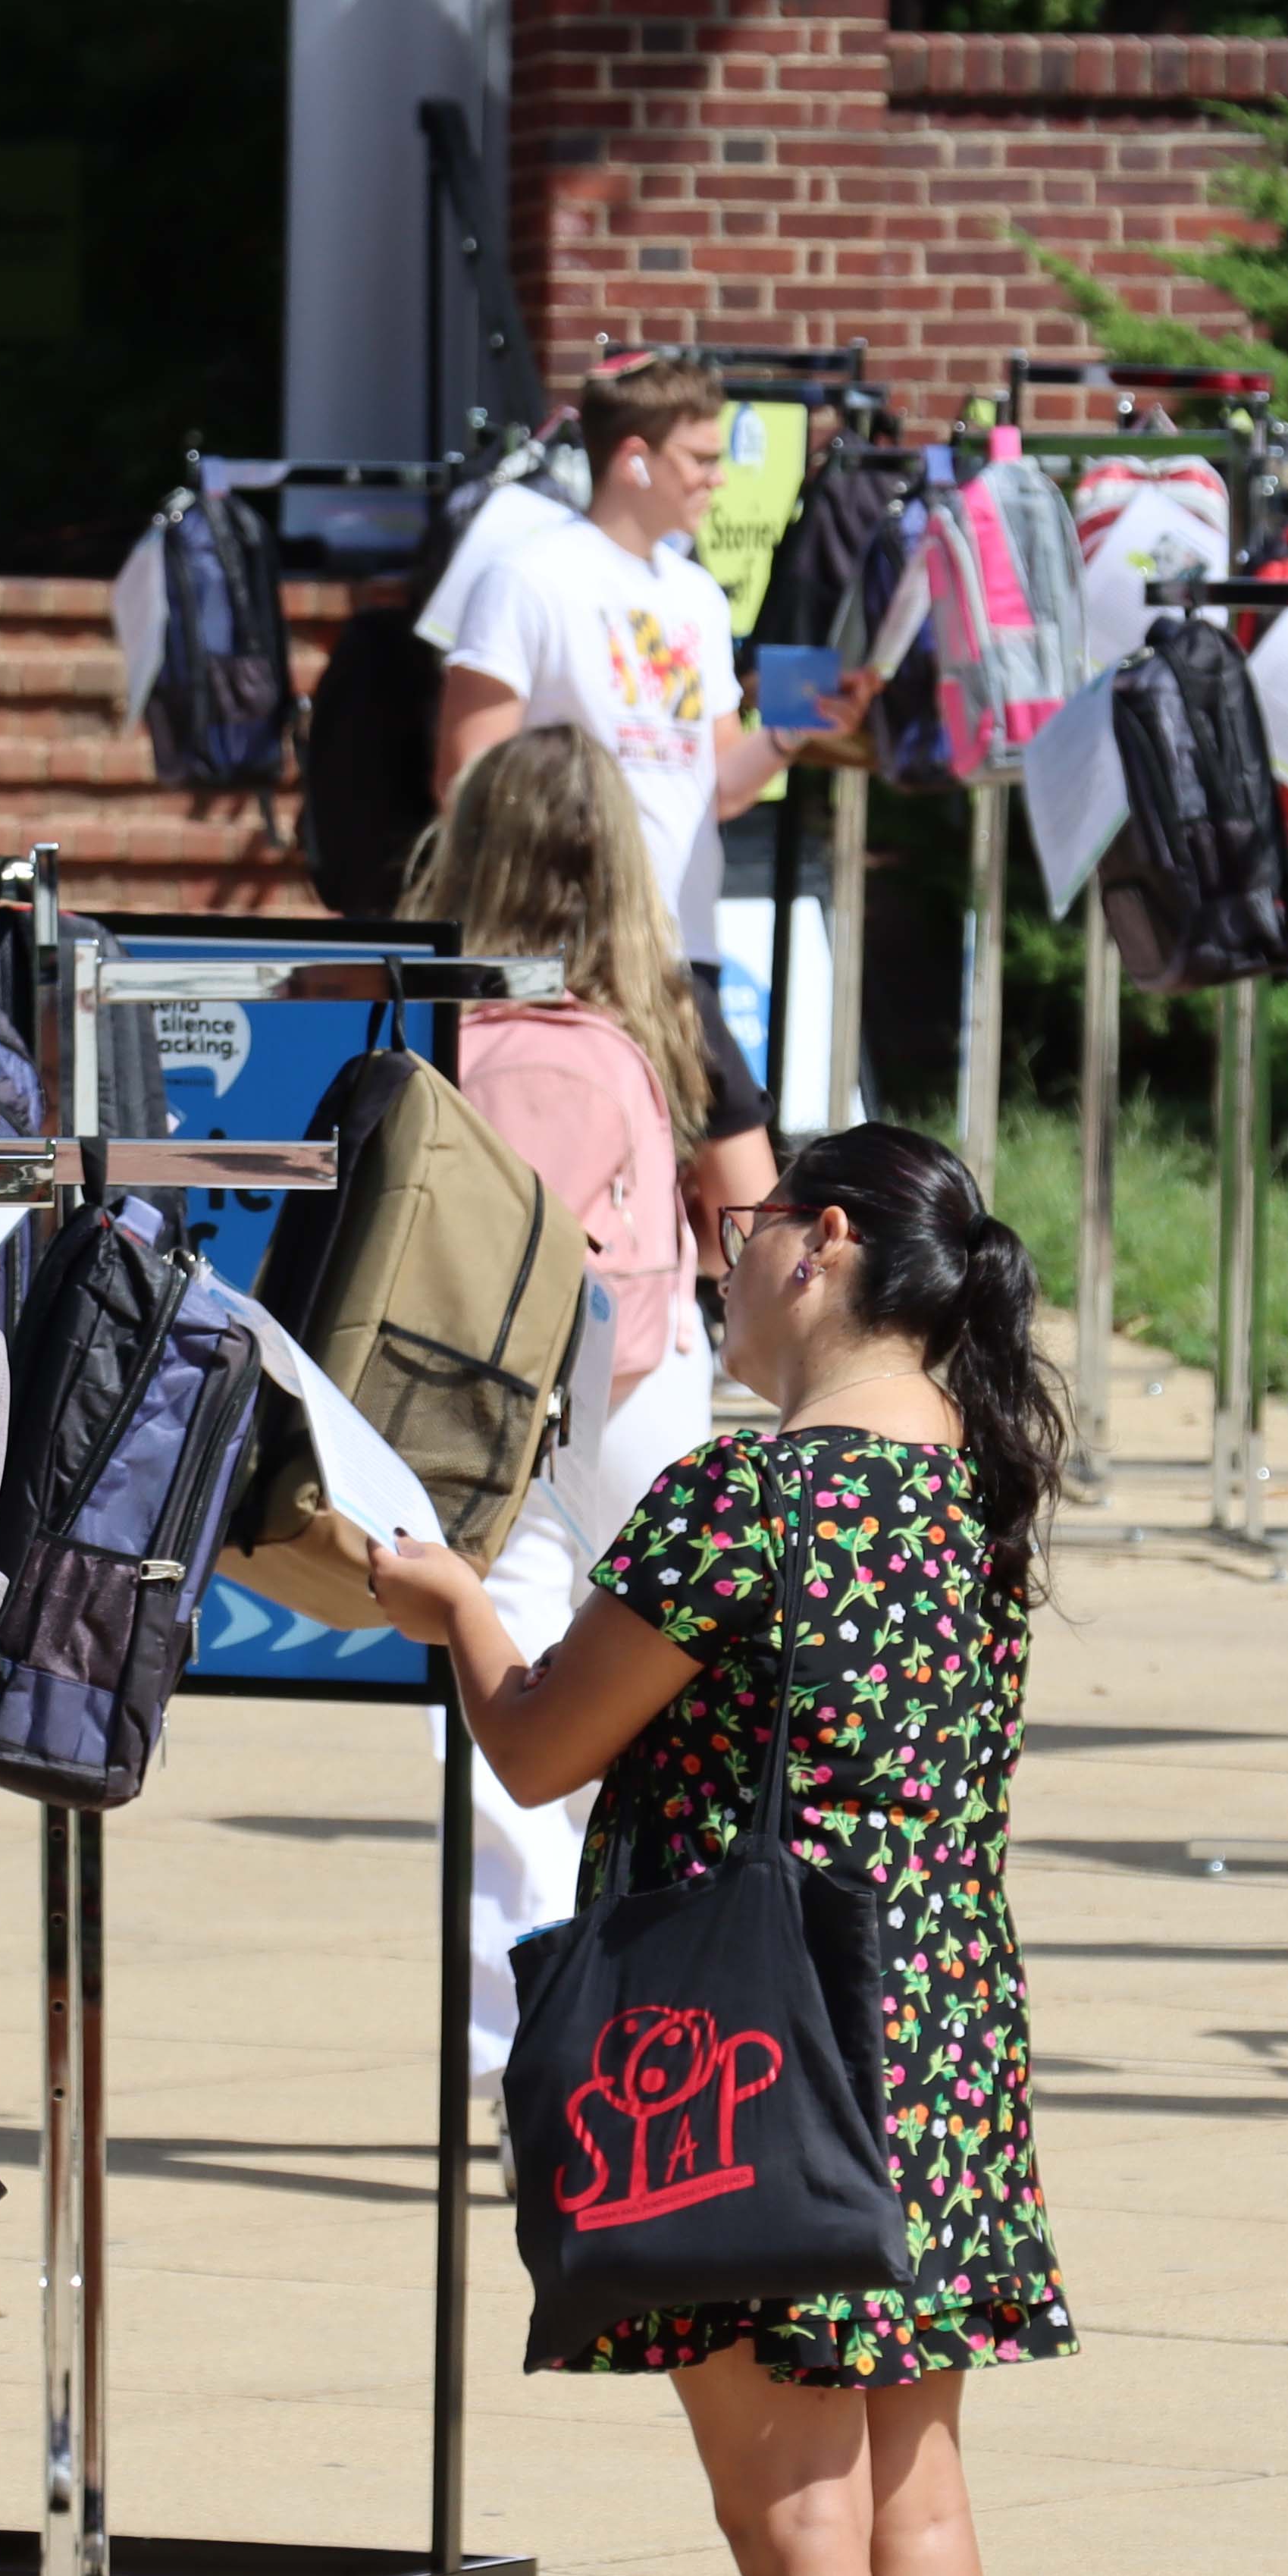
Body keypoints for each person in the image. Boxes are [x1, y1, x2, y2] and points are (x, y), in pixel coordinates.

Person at [367, 1121, 1073, 2576]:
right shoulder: (978, 1490)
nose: (720, 1273)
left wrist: (454, 1608)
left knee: (796, 2531)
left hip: (753, 2045)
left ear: (821, 1247)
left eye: (736, 1237)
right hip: (932, 2026)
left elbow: (537, 1750)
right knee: (914, 2508)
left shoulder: (743, 1502)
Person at [402, 726, 778, 2076]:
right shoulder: (669, 1010)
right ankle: (665, 2040)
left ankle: (517, 2063)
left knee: (500, 1701)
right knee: (668, 1696)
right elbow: (745, 1209)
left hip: (472, 1386)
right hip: (637, 1385)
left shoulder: (425, 1007)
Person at [432, 354, 858, 962]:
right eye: (702, 459)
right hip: (566, 952)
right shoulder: (526, 578)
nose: (719, 479)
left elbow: (719, 789)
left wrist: (793, 730)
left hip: (683, 947)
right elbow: (465, 782)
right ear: (634, 458)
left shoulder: (698, 596)